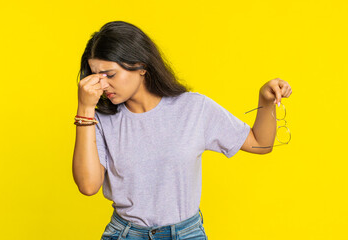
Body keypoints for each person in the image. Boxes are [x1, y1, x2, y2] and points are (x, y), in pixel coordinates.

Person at [72, 21, 292, 240]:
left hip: (186, 234)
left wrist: (265, 100)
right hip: (126, 234)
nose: (102, 86)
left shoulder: (193, 108)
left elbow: (261, 143)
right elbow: (88, 186)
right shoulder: (98, 120)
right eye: (95, 76)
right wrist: (85, 108)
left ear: (141, 66)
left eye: (109, 75)